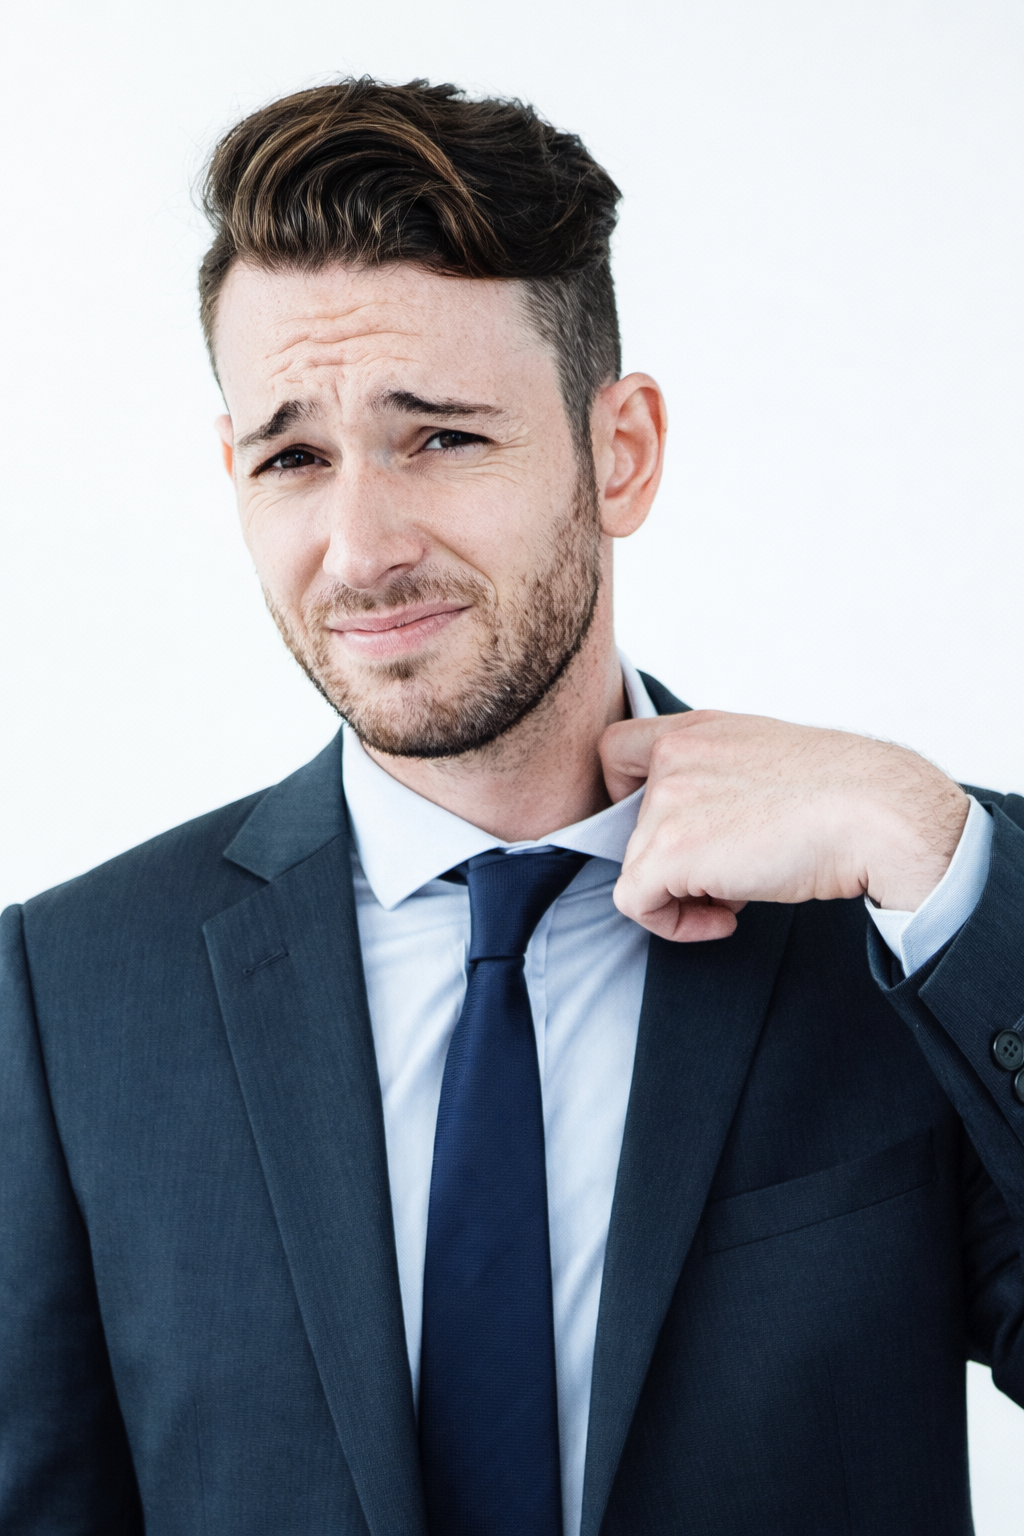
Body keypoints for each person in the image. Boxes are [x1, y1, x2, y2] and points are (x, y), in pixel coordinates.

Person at [1, 77, 1022, 1536]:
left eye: (442, 438)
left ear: (623, 452)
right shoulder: (72, 994)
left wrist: (941, 858)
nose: (361, 547)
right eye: (295, 456)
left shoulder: (902, 919)